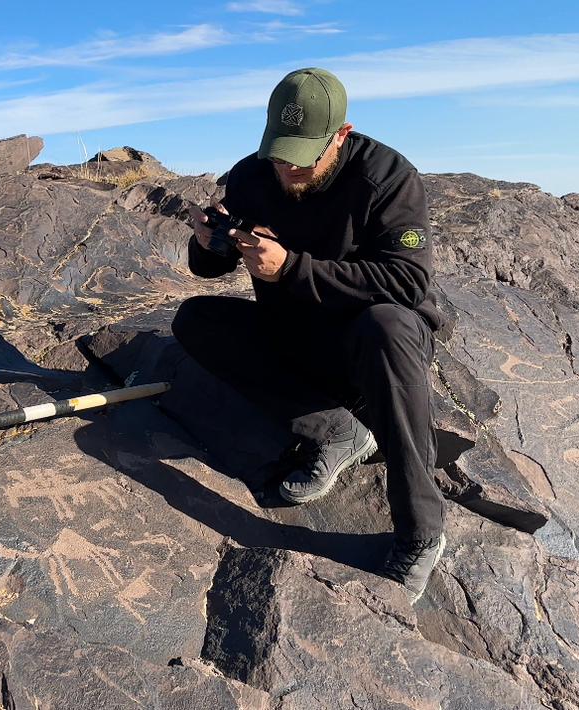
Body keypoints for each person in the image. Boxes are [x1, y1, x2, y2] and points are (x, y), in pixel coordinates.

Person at [172, 67, 447, 602]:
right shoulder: (253, 175)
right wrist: (211, 243)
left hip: (371, 347)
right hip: (295, 329)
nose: (287, 169)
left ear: (340, 136)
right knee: (195, 320)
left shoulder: (388, 176)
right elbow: (213, 271)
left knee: (386, 324)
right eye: (279, 154)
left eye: (302, 158)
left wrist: (292, 269)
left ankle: (421, 530)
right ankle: (338, 430)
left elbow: (409, 281)